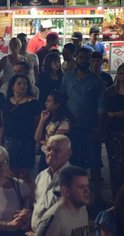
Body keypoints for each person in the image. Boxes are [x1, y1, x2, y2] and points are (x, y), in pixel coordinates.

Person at [60, 47, 105, 202]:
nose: (83, 61)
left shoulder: (96, 80)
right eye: (80, 58)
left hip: (90, 128)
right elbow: (62, 98)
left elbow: (101, 106)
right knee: (75, 164)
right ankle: (76, 196)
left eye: (86, 58)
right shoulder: (67, 77)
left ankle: (97, 197)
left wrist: (99, 127)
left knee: (95, 163)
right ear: (76, 58)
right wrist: (65, 120)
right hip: (72, 128)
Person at [30, 135, 72, 233]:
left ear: (69, 153)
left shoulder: (73, 179)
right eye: (48, 149)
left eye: (57, 150)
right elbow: (38, 207)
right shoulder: (41, 176)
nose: (51, 153)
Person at [2, 74, 41, 182]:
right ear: (12, 86)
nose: (22, 86)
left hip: (27, 141)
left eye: (25, 84)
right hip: (10, 140)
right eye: (19, 83)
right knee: (10, 173)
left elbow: (37, 122)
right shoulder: (6, 102)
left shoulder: (33, 103)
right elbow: (3, 122)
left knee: (25, 174)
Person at [35, 166, 90, 236]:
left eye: (87, 186)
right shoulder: (54, 219)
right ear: (66, 191)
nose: (87, 191)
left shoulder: (83, 211)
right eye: (81, 187)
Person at [34, 91, 72, 171]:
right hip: (45, 153)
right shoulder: (49, 117)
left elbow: (55, 140)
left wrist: (44, 142)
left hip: (56, 154)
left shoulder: (64, 121)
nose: (45, 103)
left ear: (57, 104)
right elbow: (37, 137)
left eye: (49, 101)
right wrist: (42, 120)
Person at [103, 63, 124, 199]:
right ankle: (116, 200)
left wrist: (116, 114)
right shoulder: (110, 91)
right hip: (114, 135)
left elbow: (111, 113)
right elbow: (106, 113)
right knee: (115, 168)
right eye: (121, 74)